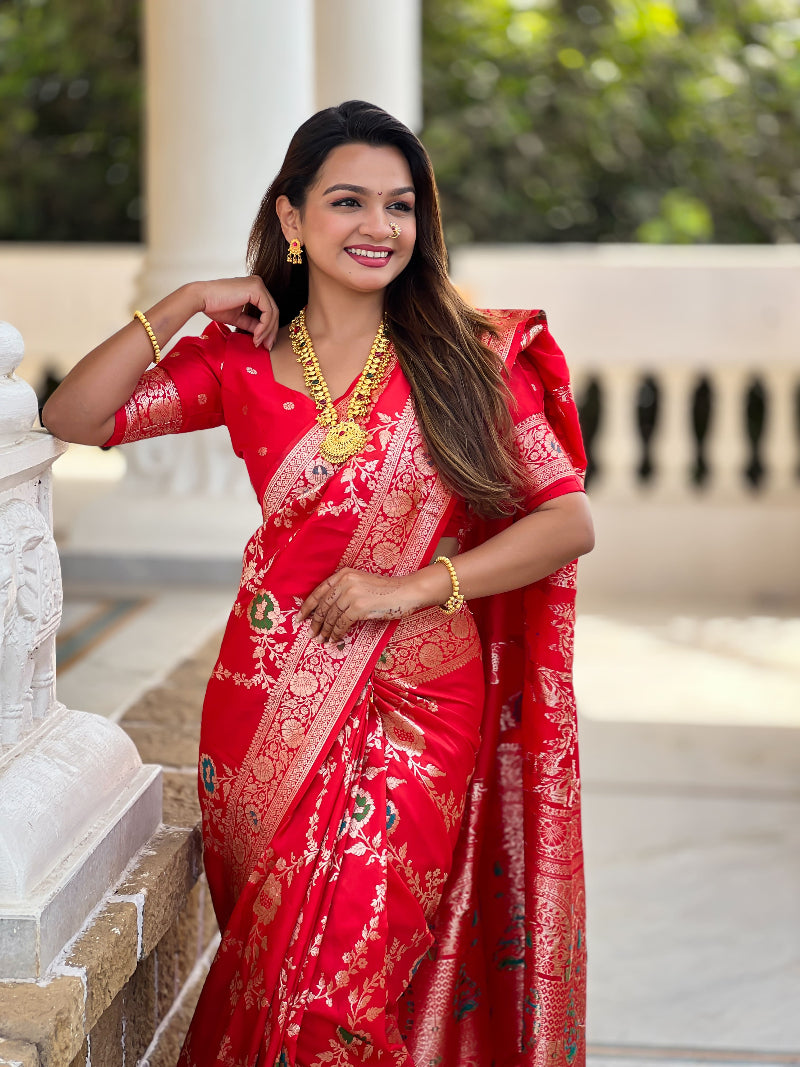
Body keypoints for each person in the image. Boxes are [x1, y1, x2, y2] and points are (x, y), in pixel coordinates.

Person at [43, 100, 594, 1067]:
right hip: (265, 709)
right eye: (348, 202)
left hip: (420, 705)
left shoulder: (465, 359)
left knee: (336, 990)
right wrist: (179, 306)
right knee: (275, 973)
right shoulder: (241, 360)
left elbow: (567, 521)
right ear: (293, 220)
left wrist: (415, 586)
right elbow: (75, 415)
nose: (379, 227)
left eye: (401, 205)